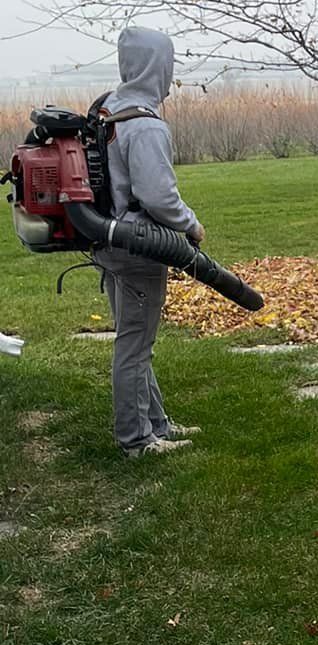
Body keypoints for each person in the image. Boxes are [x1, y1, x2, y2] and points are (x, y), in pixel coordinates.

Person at [96, 27, 205, 458]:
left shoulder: (108, 110)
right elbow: (158, 197)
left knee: (134, 338)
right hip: (139, 246)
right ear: (158, 66)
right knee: (135, 345)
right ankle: (137, 441)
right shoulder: (144, 123)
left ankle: (156, 424)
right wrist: (191, 225)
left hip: (106, 239)